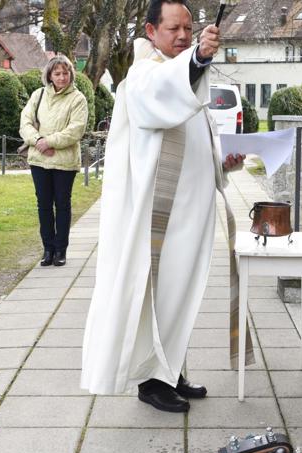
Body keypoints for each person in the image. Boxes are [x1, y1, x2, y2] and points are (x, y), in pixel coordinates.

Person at [80, 0, 244, 412]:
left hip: (189, 211)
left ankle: (170, 370)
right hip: (159, 214)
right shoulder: (142, 76)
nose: (184, 36)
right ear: (151, 31)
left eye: (189, 28)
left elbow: (193, 135)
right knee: (159, 291)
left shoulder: (184, 79)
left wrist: (222, 161)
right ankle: (151, 382)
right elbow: (162, 93)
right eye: (174, 28)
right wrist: (200, 57)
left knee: (180, 292)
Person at [19, 55, 89, 268]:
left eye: (65, 73)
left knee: (62, 204)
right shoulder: (38, 95)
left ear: (71, 74)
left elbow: (75, 129)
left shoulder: (78, 99)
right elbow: (25, 122)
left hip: (64, 162)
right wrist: (38, 140)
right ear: (49, 75)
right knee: (44, 205)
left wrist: (49, 141)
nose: (62, 77)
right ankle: (47, 248)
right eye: (57, 73)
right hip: (39, 160)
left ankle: (61, 249)